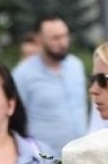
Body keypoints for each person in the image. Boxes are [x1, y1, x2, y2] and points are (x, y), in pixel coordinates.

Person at [14, 15, 88, 154]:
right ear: (39, 40)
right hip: (46, 161)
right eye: (55, 38)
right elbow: (16, 117)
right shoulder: (23, 74)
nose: (63, 43)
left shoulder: (76, 65)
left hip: (81, 155)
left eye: (65, 36)